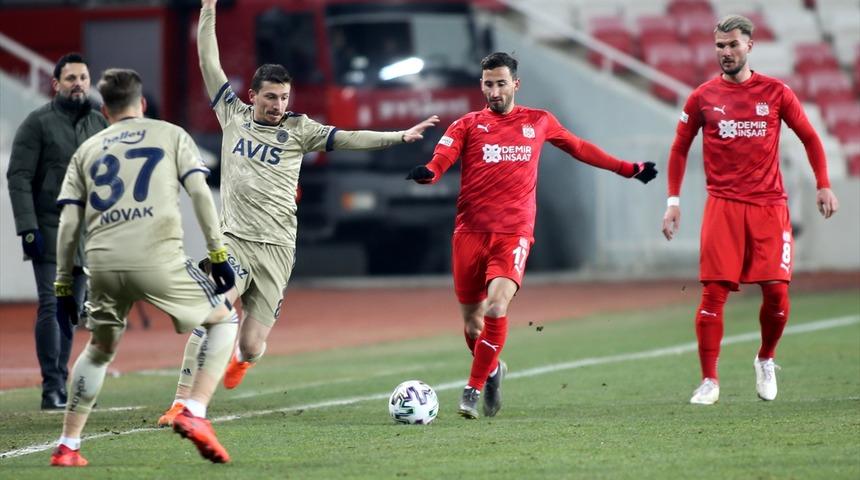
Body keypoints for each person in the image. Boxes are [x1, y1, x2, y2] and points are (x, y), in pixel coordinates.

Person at [157, 0, 440, 425]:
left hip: (278, 251)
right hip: (234, 241)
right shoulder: (231, 115)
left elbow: (349, 138)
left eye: (283, 97)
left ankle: (241, 358)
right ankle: (182, 402)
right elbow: (206, 58)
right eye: (270, 97)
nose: (277, 104)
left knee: (252, 344)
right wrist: (210, 7)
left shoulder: (299, 129)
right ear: (252, 95)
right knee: (214, 310)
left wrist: (399, 137)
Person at [405, 52, 658, 419]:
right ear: (482, 85)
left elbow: (579, 147)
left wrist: (628, 169)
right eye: (488, 84)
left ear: (515, 84)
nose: (494, 91)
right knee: (473, 325)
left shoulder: (538, 121)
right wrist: (428, 173)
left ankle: (471, 391)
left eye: (501, 83)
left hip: (514, 233)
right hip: (469, 233)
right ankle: (492, 369)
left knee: (496, 306)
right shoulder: (467, 125)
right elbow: (440, 160)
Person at [49, 68, 238, 467]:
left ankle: (68, 445)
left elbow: (68, 224)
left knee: (99, 349)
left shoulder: (88, 149)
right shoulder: (170, 134)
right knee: (223, 320)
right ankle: (195, 411)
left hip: (101, 262)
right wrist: (217, 253)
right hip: (157, 256)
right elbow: (201, 194)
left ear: (105, 109)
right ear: (143, 105)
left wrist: (64, 284)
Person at [661, 15, 839, 405]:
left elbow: (810, 136)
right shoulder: (702, 97)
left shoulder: (775, 92)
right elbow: (678, 148)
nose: (726, 52)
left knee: (776, 292)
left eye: (733, 45)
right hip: (722, 206)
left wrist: (823, 183)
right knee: (714, 293)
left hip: (769, 207)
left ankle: (766, 358)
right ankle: (709, 380)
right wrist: (673, 202)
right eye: (720, 46)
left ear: (749, 46)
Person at [6, 53, 109, 410]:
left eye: (83, 77)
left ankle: (61, 383)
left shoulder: (99, 123)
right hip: (49, 227)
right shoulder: (37, 123)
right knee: (51, 304)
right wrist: (28, 228)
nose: (78, 83)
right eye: (71, 78)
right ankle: (52, 386)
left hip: (86, 232)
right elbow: (18, 176)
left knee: (72, 309)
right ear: (56, 84)